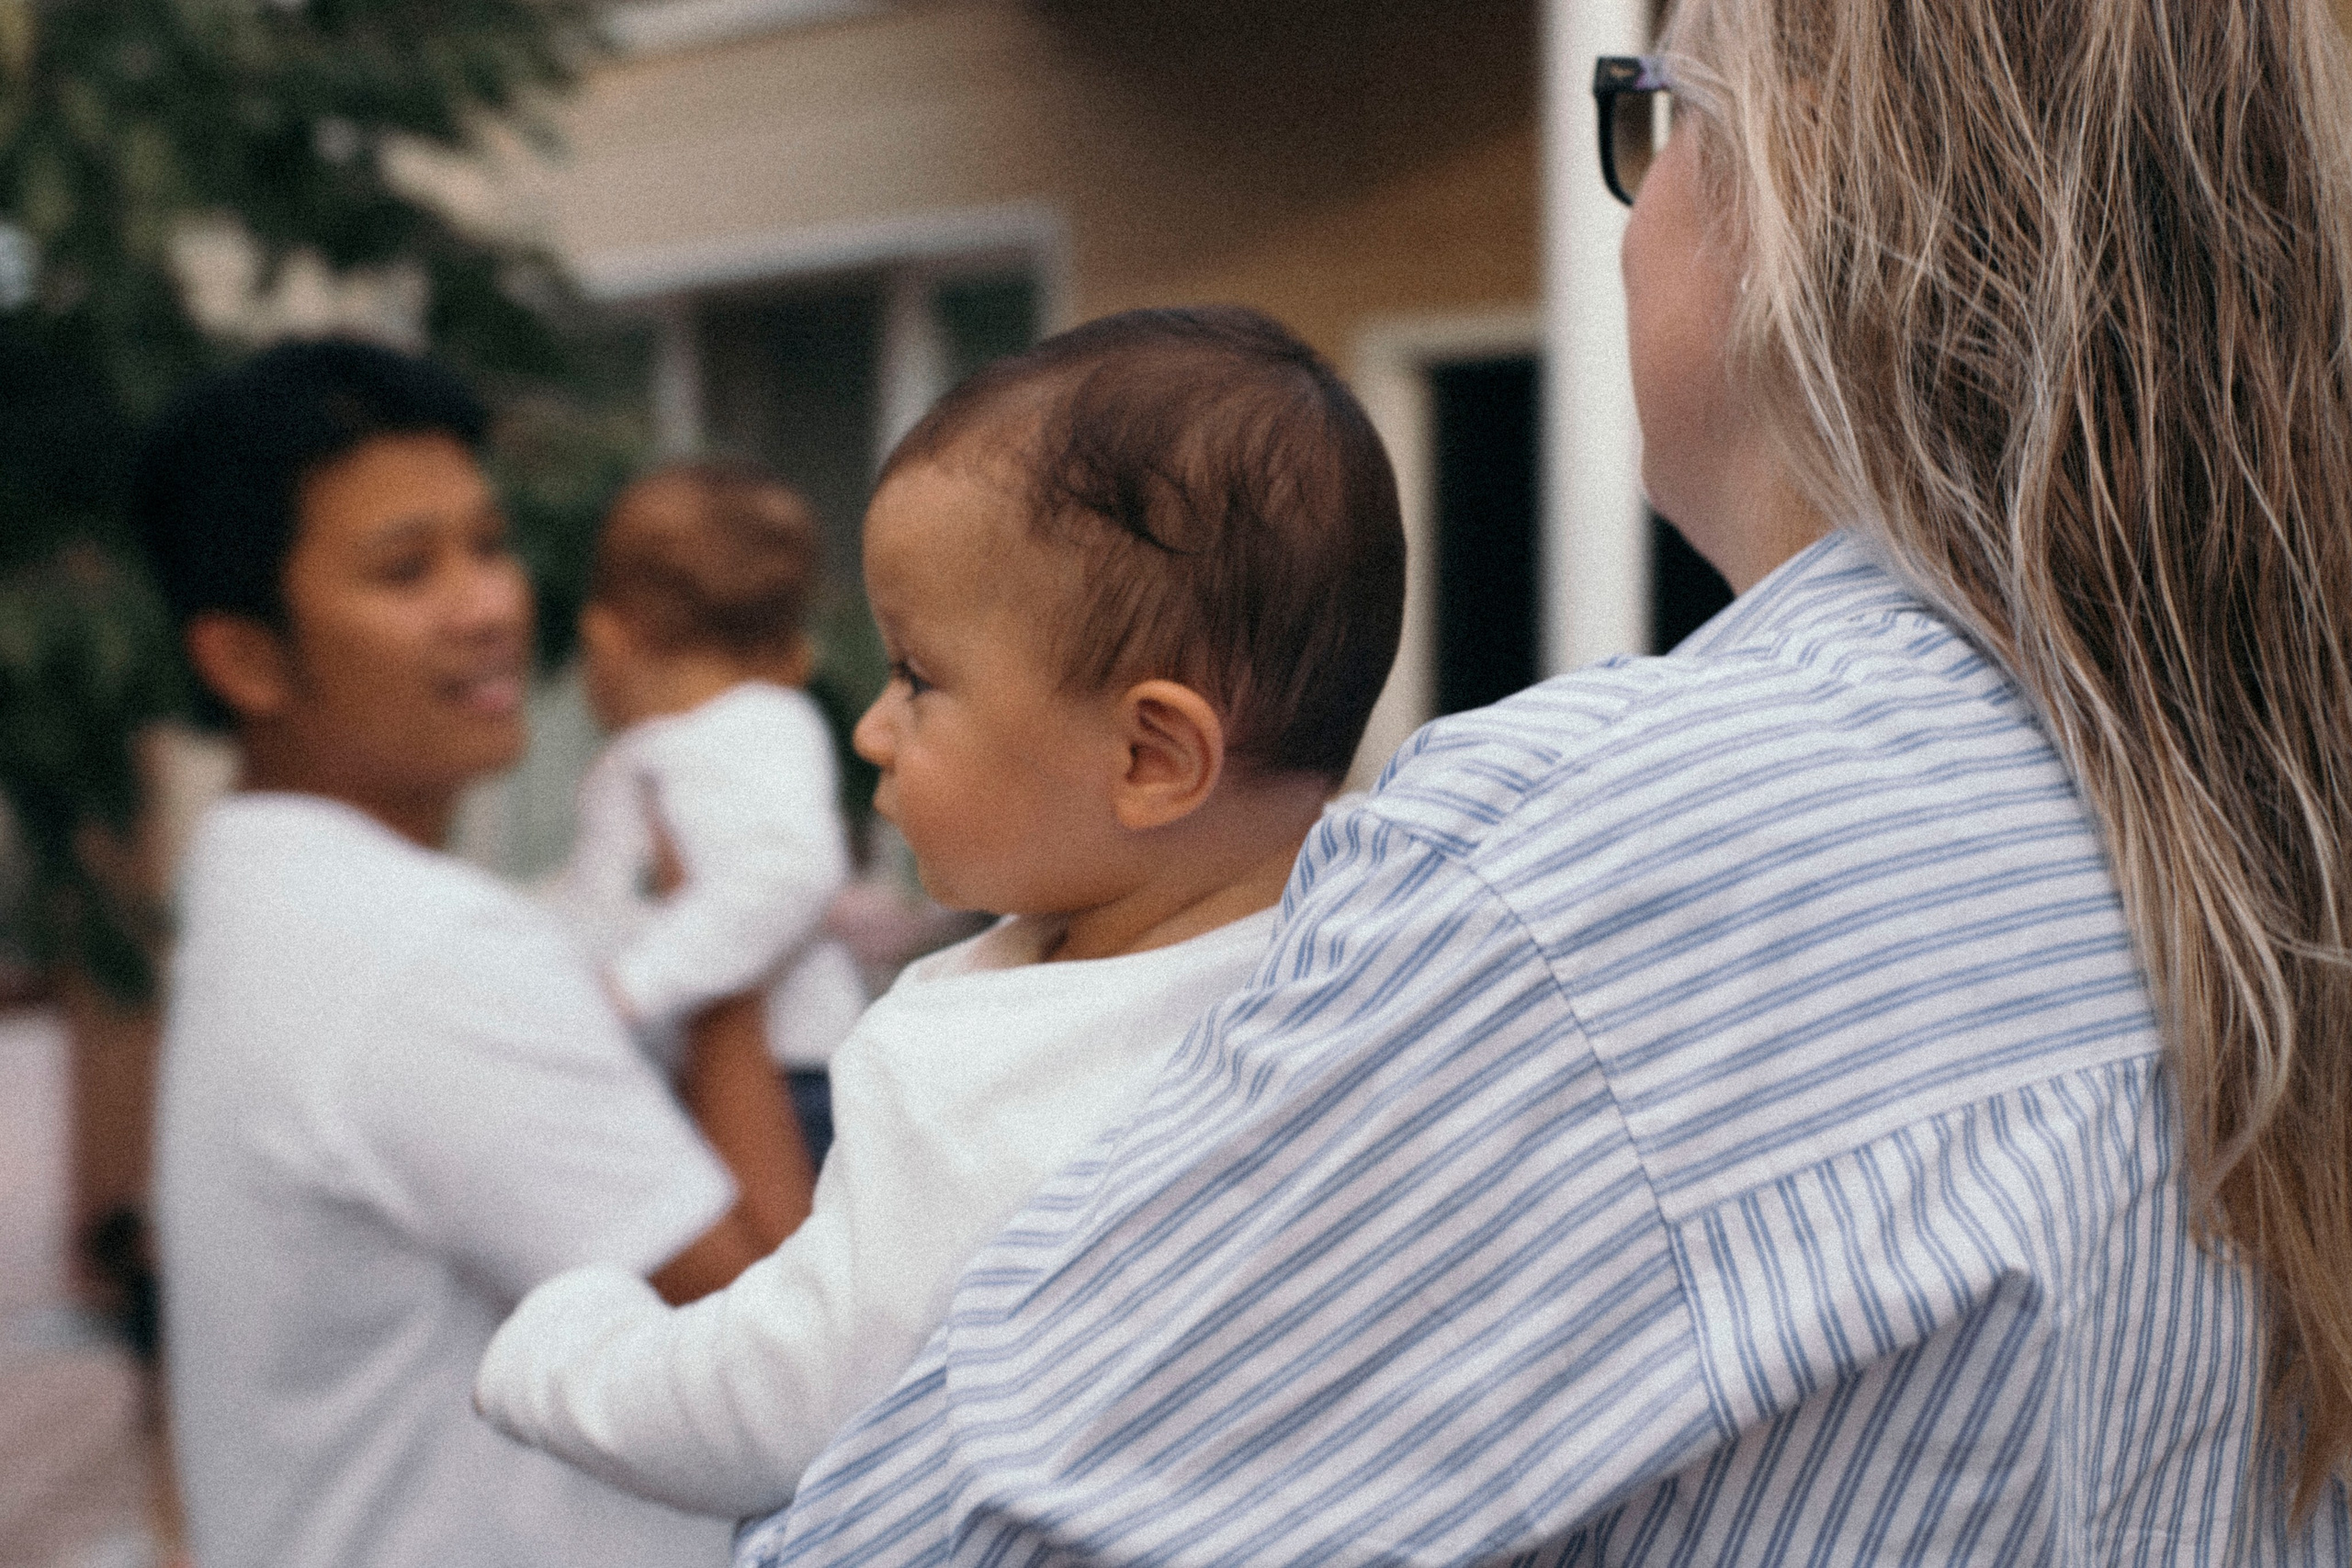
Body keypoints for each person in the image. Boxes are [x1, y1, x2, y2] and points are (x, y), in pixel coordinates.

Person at [740, 0, 2352, 1562]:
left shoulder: (1610, 866)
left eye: (1661, 112)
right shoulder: (2267, 827)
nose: (1637, 204)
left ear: (1802, 205)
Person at [469, 306, 1407, 1519]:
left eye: (917, 677)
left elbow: (780, 1399)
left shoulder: (983, 1071)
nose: (869, 727)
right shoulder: (1385, 960)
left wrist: (556, 1342)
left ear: (1153, 754)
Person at [140, 340, 807, 1568]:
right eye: (407, 567)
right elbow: (781, 1362)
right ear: (245, 655)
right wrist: (734, 936)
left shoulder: (261, 898)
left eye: (489, 545)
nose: (490, 605)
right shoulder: (418, 948)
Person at [550, 460, 867, 1172]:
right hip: (713, 1073)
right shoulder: (689, 738)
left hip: (786, 1077)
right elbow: (606, 901)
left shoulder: (755, 723)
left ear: (610, 634)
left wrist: (632, 988)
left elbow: (787, 875)